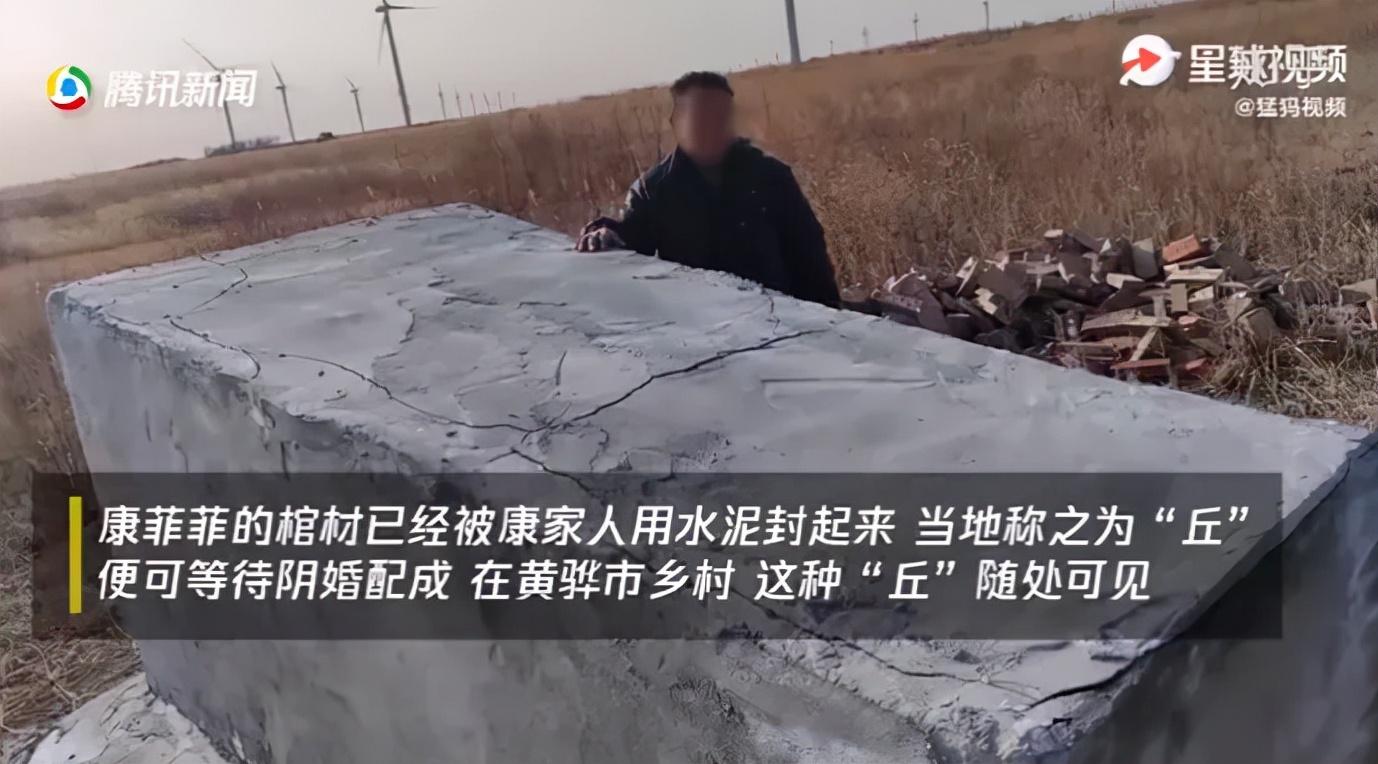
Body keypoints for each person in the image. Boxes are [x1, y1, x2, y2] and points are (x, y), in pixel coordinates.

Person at [575, 71, 840, 308]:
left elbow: (810, 259)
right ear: (676, 122)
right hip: (703, 325)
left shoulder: (771, 177)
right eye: (701, 119)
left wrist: (827, 316)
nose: (713, 128)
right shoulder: (654, 189)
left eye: (720, 118)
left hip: (779, 320)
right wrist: (604, 233)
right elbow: (633, 243)